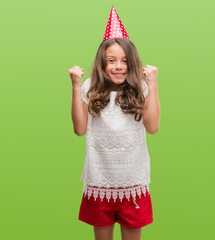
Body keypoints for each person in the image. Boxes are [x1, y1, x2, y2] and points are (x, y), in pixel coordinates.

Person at [68, 6, 160, 240]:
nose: (118, 66)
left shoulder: (141, 88)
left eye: (125, 61)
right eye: (112, 60)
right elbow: (79, 130)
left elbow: (152, 127)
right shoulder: (90, 87)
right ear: (102, 62)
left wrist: (153, 83)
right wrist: (76, 86)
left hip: (133, 182)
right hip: (99, 180)